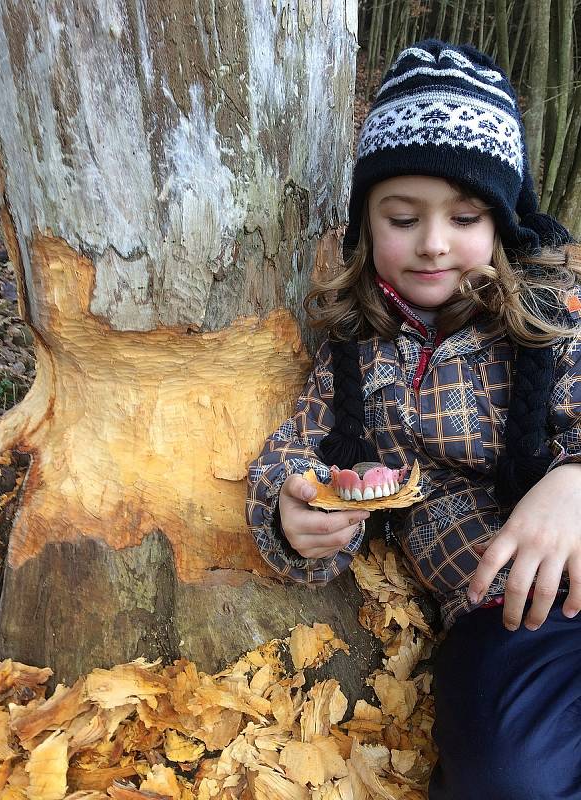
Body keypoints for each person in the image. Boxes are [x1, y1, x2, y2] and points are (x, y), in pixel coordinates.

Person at [246, 39, 581, 799]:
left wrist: (574, 483)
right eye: (403, 217)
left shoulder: (550, 321)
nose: (433, 243)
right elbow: (293, 452)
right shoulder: (353, 351)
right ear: (367, 223)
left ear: (503, 223)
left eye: (465, 216)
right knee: (510, 779)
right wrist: (290, 513)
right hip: (509, 620)